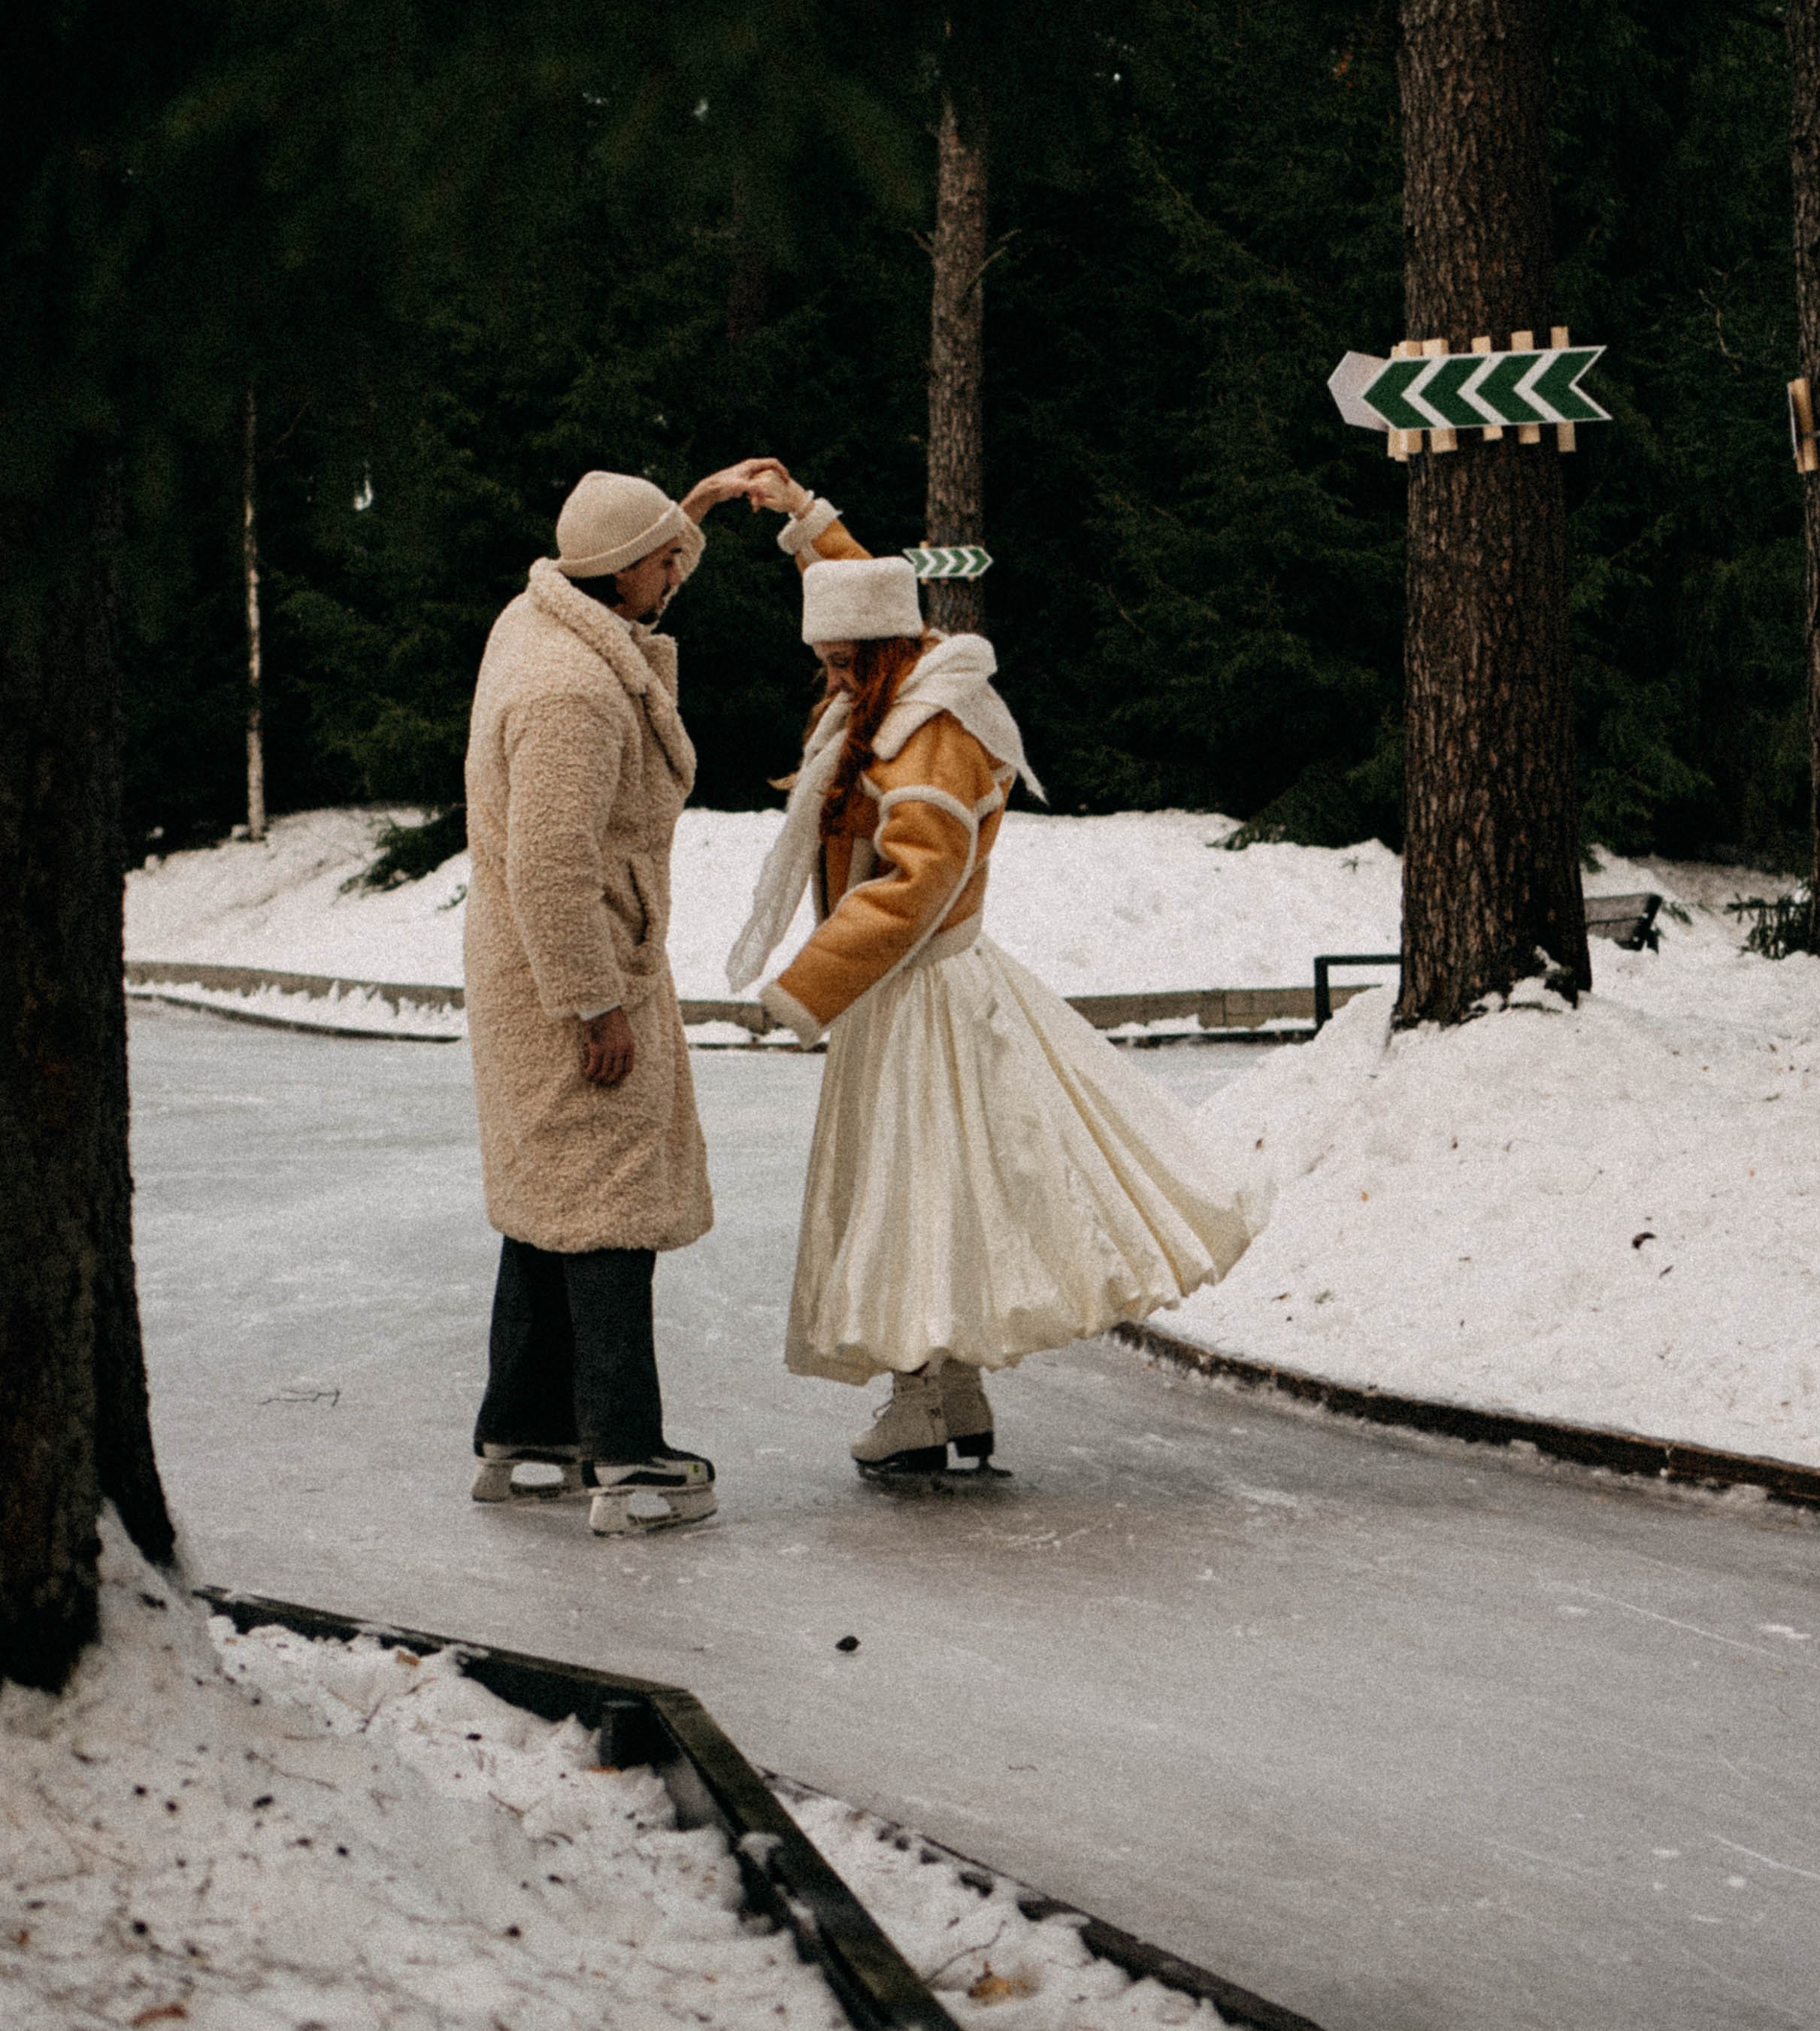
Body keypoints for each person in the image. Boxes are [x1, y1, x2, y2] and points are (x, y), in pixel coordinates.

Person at [728, 475, 1255, 1480]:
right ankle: (949, 1390)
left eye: (846, 664)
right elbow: (865, 587)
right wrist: (799, 515)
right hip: (917, 990)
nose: (834, 679)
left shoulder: (929, 727)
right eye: (824, 662)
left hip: (921, 993)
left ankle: (924, 1397)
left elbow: (918, 882)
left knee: (912, 1194)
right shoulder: (902, 677)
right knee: (942, 1192)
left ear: (887, 653)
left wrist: (808, 982)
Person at [464, 457, 780, 1535]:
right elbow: (552, 864)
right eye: (658, 561)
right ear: (619, 573)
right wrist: (594, 1004)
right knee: (604, 1207)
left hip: (540, 965)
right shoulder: (572, 690)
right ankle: (626, 1453)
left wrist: (685, 511)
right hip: (572, 968)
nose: (670, 577)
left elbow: (634, 563)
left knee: (548, 1195)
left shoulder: (536, 619)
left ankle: (526, 1428)